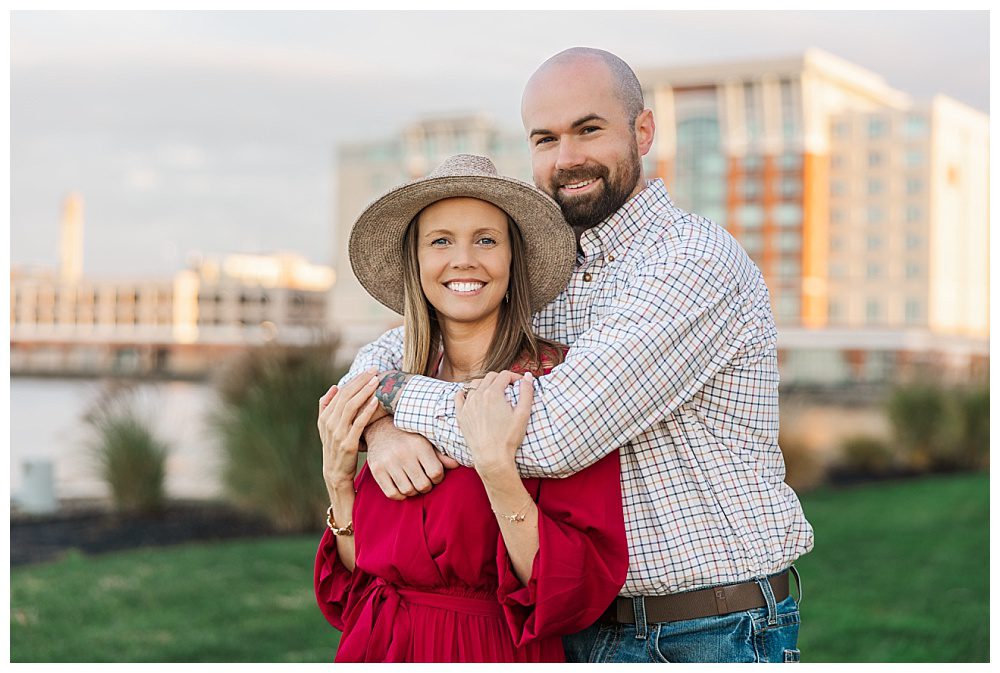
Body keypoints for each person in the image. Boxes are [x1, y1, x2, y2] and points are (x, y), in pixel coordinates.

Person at [339, 47, 815, 663]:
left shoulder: (691, 262)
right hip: (562, 621)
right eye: (545, 138)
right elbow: (375, 360)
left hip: (702, 626)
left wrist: (396, 397)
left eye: (589, 129)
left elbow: (554, 436)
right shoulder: (544, 283)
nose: (568, 158)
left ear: (642, 131)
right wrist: (379, 431)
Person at [313, 153, 627, 663]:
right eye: (440, 241)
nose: (464, 260)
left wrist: (498, 469)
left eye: (486, 239)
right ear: (416, 262)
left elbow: (572, 593)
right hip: (381, 647)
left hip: (490, 649)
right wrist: (340, 481)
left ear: (511, 259)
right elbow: (356, 583)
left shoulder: (557, 388)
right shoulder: (388, 395)